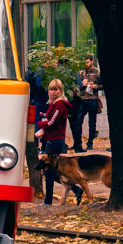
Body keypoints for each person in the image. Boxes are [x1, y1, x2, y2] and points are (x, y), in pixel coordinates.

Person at [35, 78, 83, 206]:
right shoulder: (52, 104)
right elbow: (49, 120)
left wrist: (40, 123)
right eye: (51, 89)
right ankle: (76, 189)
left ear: (61, 91)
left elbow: (51, 123)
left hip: (55, 140)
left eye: (56, 89)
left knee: (49, 171)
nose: (53, 92)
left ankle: (48, 201)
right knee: (51, 171)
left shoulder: (60, 105)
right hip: (50, 139)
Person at [25, 67, 50, 196]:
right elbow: (41, 86)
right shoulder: (41, 72)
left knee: (34, 125)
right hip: (40, 102)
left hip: (35, 101)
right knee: (37, 125)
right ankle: (37, 143)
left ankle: (35, 143)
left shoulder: (33, 71)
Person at [77, 56, 103, 150]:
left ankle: (90, 142)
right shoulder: (81, 73)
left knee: (92, 122)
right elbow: (76, 86)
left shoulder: (97, 72)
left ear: (92, 62)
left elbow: (102, 85)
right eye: (85, 62)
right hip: (83, 99)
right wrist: (81, 85)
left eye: (87, 62)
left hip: (93, 99)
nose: (86, 64)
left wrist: (95, 86)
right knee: (78, 121)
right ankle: (78, 142)